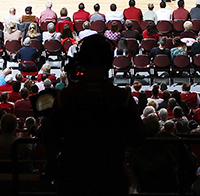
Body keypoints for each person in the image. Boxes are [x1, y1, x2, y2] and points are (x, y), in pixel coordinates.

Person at [40, 35, 142, 195]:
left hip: (73, 176)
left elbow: (49, 137)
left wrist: (53, 166)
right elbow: (138, 138)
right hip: (111, 176)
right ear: (109, 62)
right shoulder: (123, 98)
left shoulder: (65, 96)